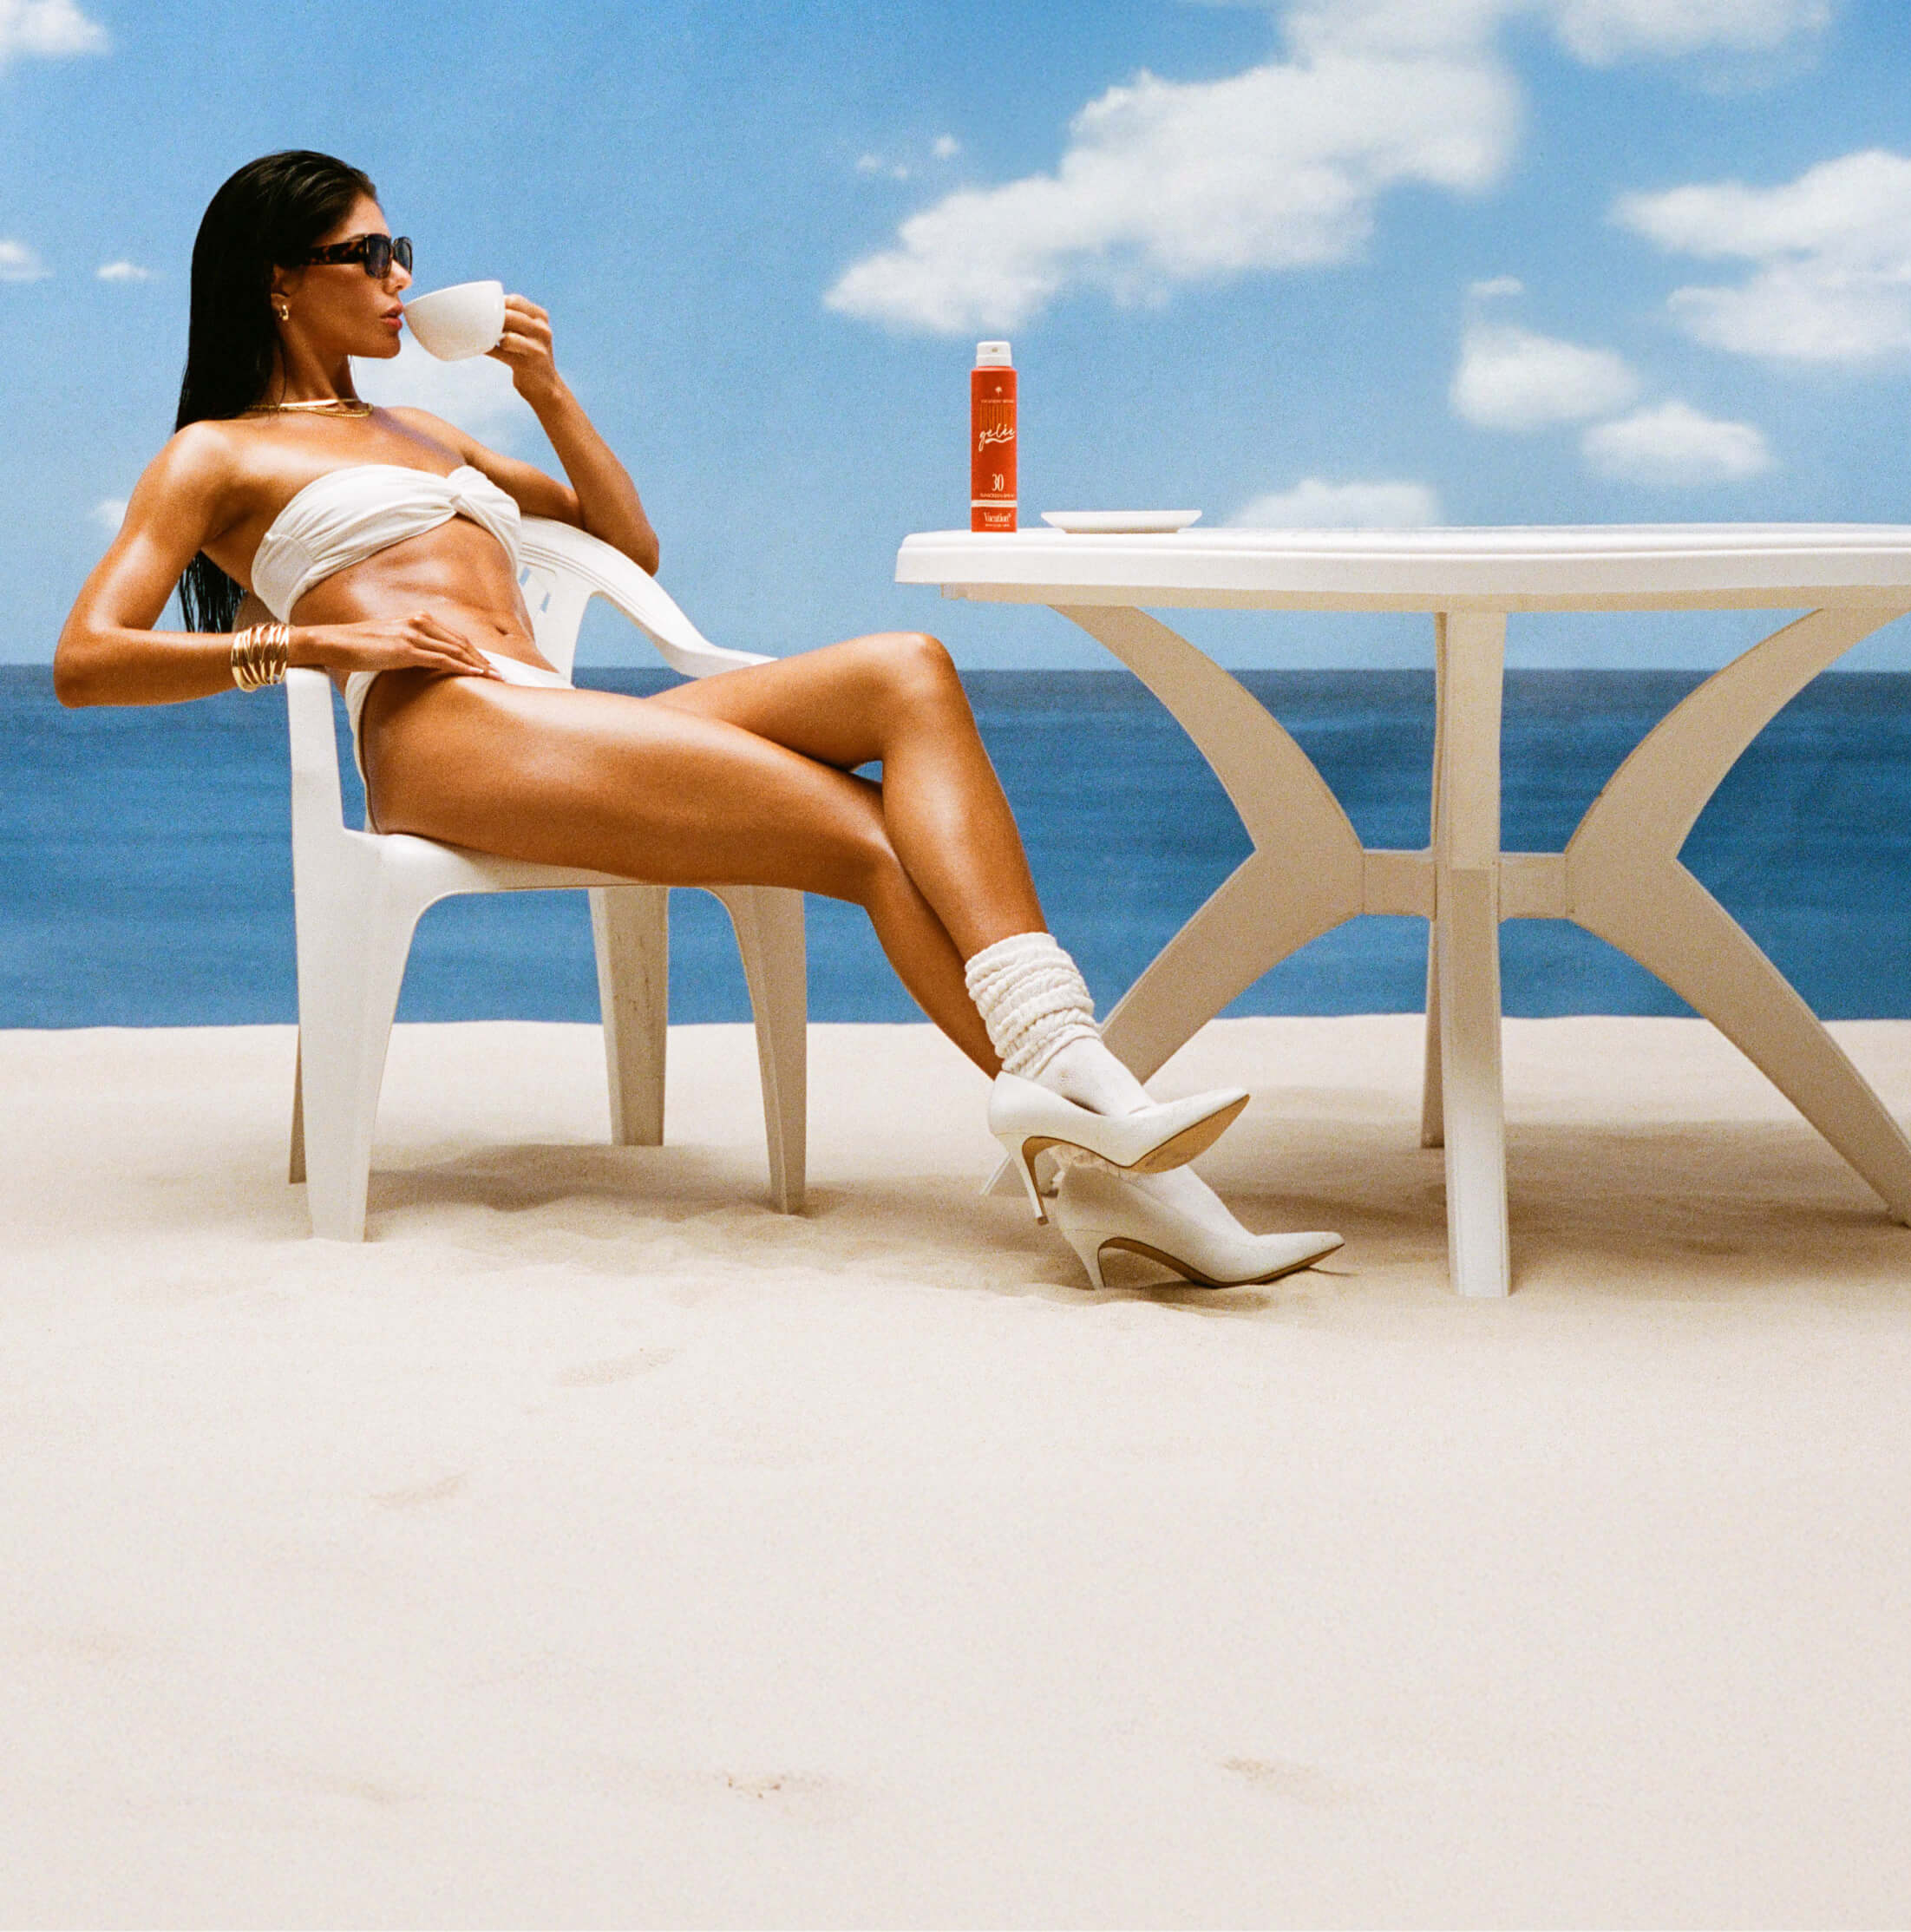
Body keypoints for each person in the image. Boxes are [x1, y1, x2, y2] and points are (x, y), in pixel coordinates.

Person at [55, 150, 1341, 1290]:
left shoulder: (422, 426)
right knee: (862, 834)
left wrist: (550, 391)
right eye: (370, 256)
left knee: (908, 667)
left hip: (546, 714)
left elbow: (626, 545)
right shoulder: (215, 456)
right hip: (444, 741)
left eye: (407, 254)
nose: (401, 280)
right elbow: (85, 661)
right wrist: (320, 641)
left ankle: (1079, 1114)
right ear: (281, 282)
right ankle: (1109, 1137)